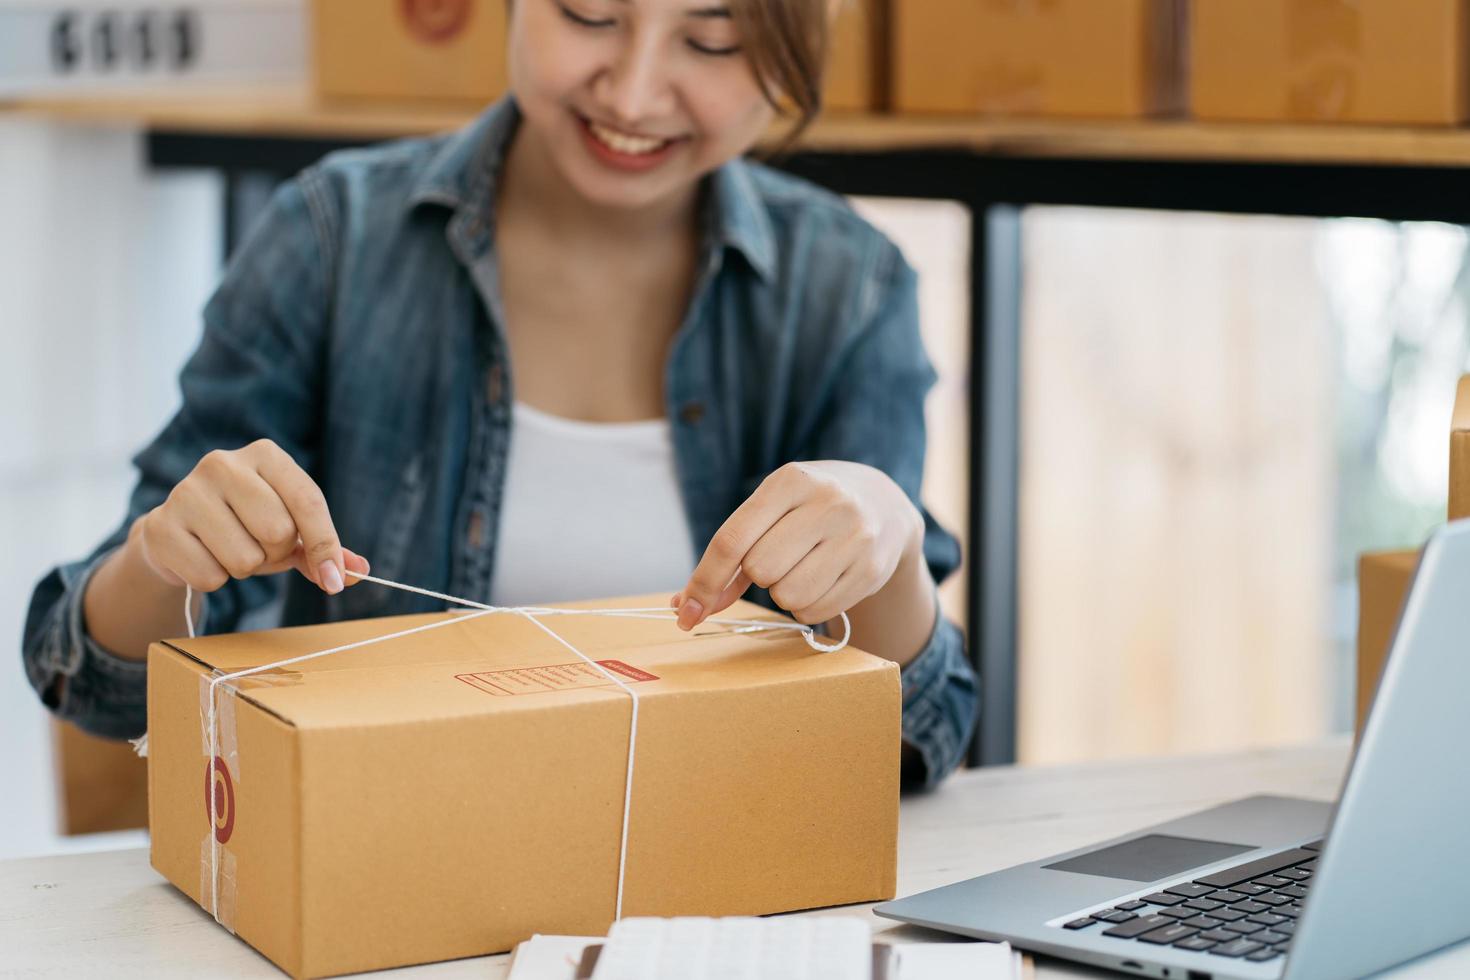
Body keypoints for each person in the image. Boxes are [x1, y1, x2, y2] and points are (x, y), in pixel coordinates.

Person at [23, 0, 977, 789]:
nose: (636, 91)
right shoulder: (332, 237)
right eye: (591, 14)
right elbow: (92, 684)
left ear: (790, 50)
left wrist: (886, 544)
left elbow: (920, 739)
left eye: (712, 38)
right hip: (379, 880)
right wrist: (164, 556)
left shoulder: (847, 288)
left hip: (716, 890)